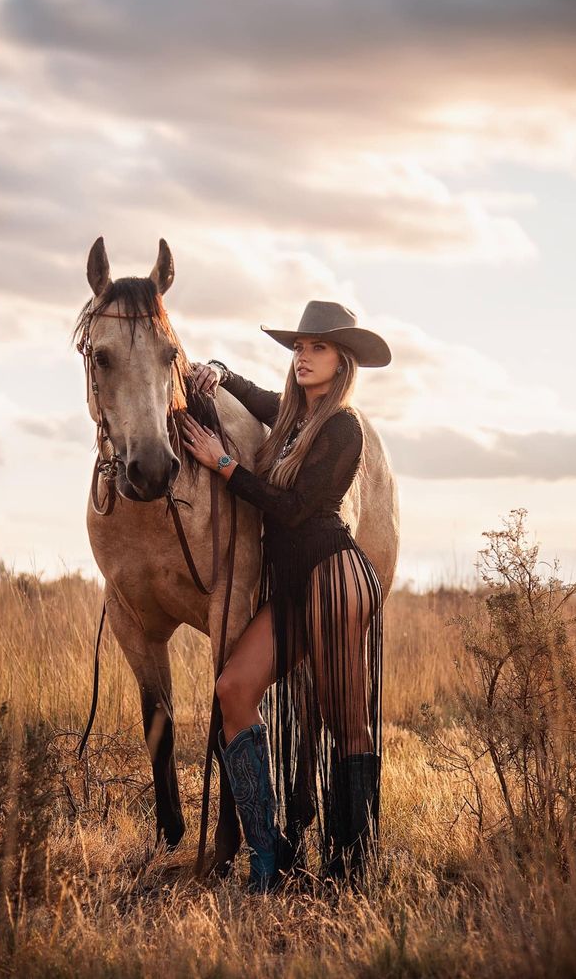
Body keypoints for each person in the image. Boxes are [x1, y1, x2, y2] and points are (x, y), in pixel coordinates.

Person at [182, 300, 391, 892]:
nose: (303, 355)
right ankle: (267, 859)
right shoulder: (293, 419)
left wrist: (225, 467)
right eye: (299, 346)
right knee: (234, 688)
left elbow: (299, 510)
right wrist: (218, 371)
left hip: (335, 576)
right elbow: (253, 395)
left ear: (341, 360)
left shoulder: (345, 427)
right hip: (295, 587)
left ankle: (351, 870)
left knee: (344, 722)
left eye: (317, 347)